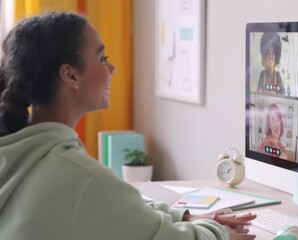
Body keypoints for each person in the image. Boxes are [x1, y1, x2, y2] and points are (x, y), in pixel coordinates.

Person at [0, 12, 255, 240]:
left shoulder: (20, 154)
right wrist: (220, 233)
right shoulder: (81, 176)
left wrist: (184, 218)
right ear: (71, 75)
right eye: (102, 57)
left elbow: (110, 208)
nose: (112, 68)